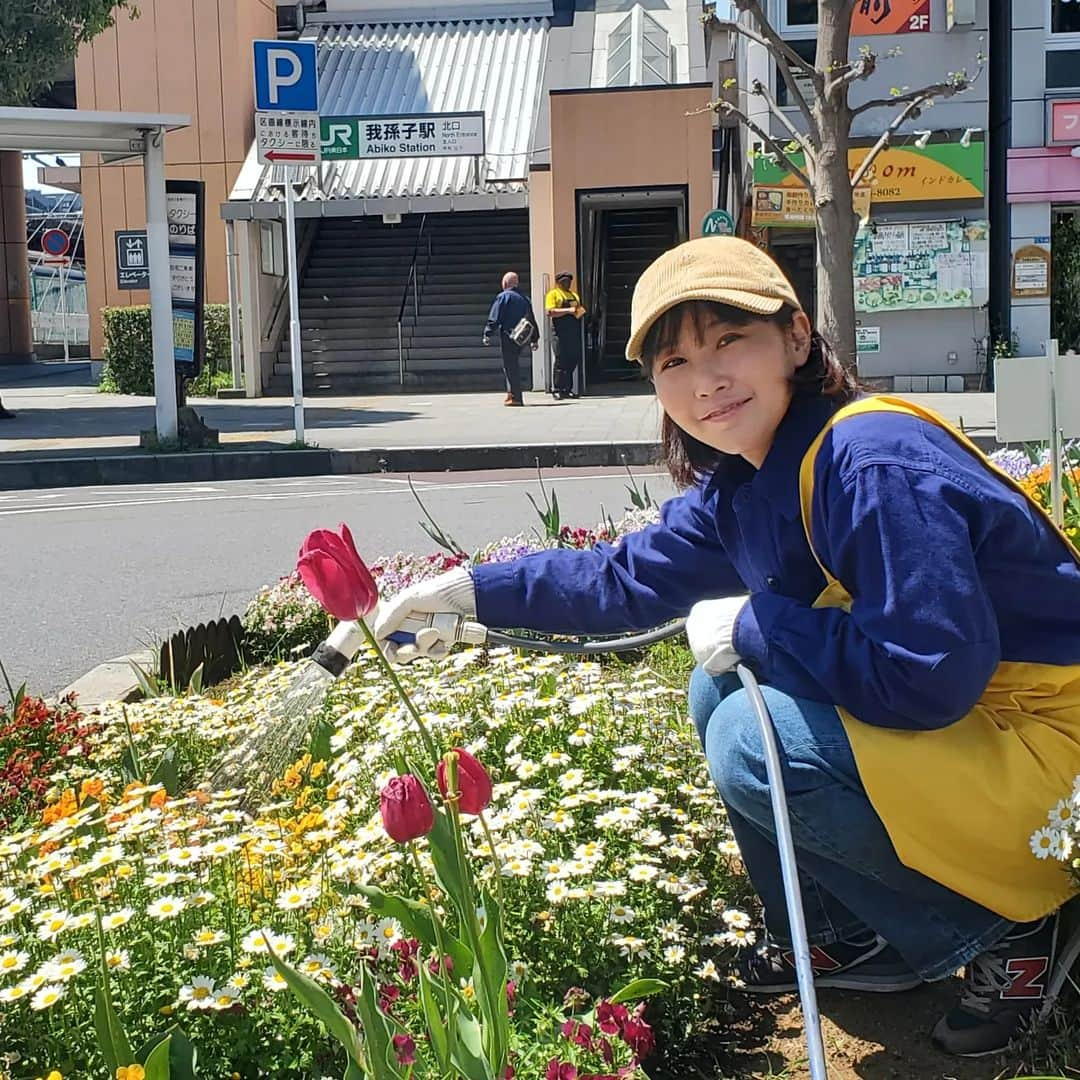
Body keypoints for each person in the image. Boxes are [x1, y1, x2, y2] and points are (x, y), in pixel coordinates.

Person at [375, 236, 1080, 1058]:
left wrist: (759, 625)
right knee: (720, 692)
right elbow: (625, 578)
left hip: (1051, 750)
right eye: (673, 360)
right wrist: (470, 590)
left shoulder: (871, 462)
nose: (703, 380)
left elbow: (930, 677)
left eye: (727, 341)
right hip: (990, 732)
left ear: (797, 337)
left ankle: (1008, 930)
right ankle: (850, 938)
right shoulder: (757, 474)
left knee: (754, 736)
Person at [484, 271, 539, 407]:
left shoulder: (503, 297)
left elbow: (495, 317)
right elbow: (531, 318)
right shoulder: (524, 298)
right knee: (514, 364)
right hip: (521, 336)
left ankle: (514, 396)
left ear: (504, 283)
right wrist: (534, 339)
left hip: (508, 335)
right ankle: (512, 394)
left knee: (510, 366)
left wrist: (488, 333)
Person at [545, 271, 586, 400]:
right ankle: (557, 389)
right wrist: (568, 310)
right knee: (560, 360)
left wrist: (581, 312)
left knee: (572, 359)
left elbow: (579, 310)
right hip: (559, 332)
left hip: (573, 332)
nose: (567, 283)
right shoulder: (553, 294)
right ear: (558, 282)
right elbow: (550, 312)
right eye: (564, 281)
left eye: (569, 281)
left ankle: (567, 389)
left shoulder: (574, 295)